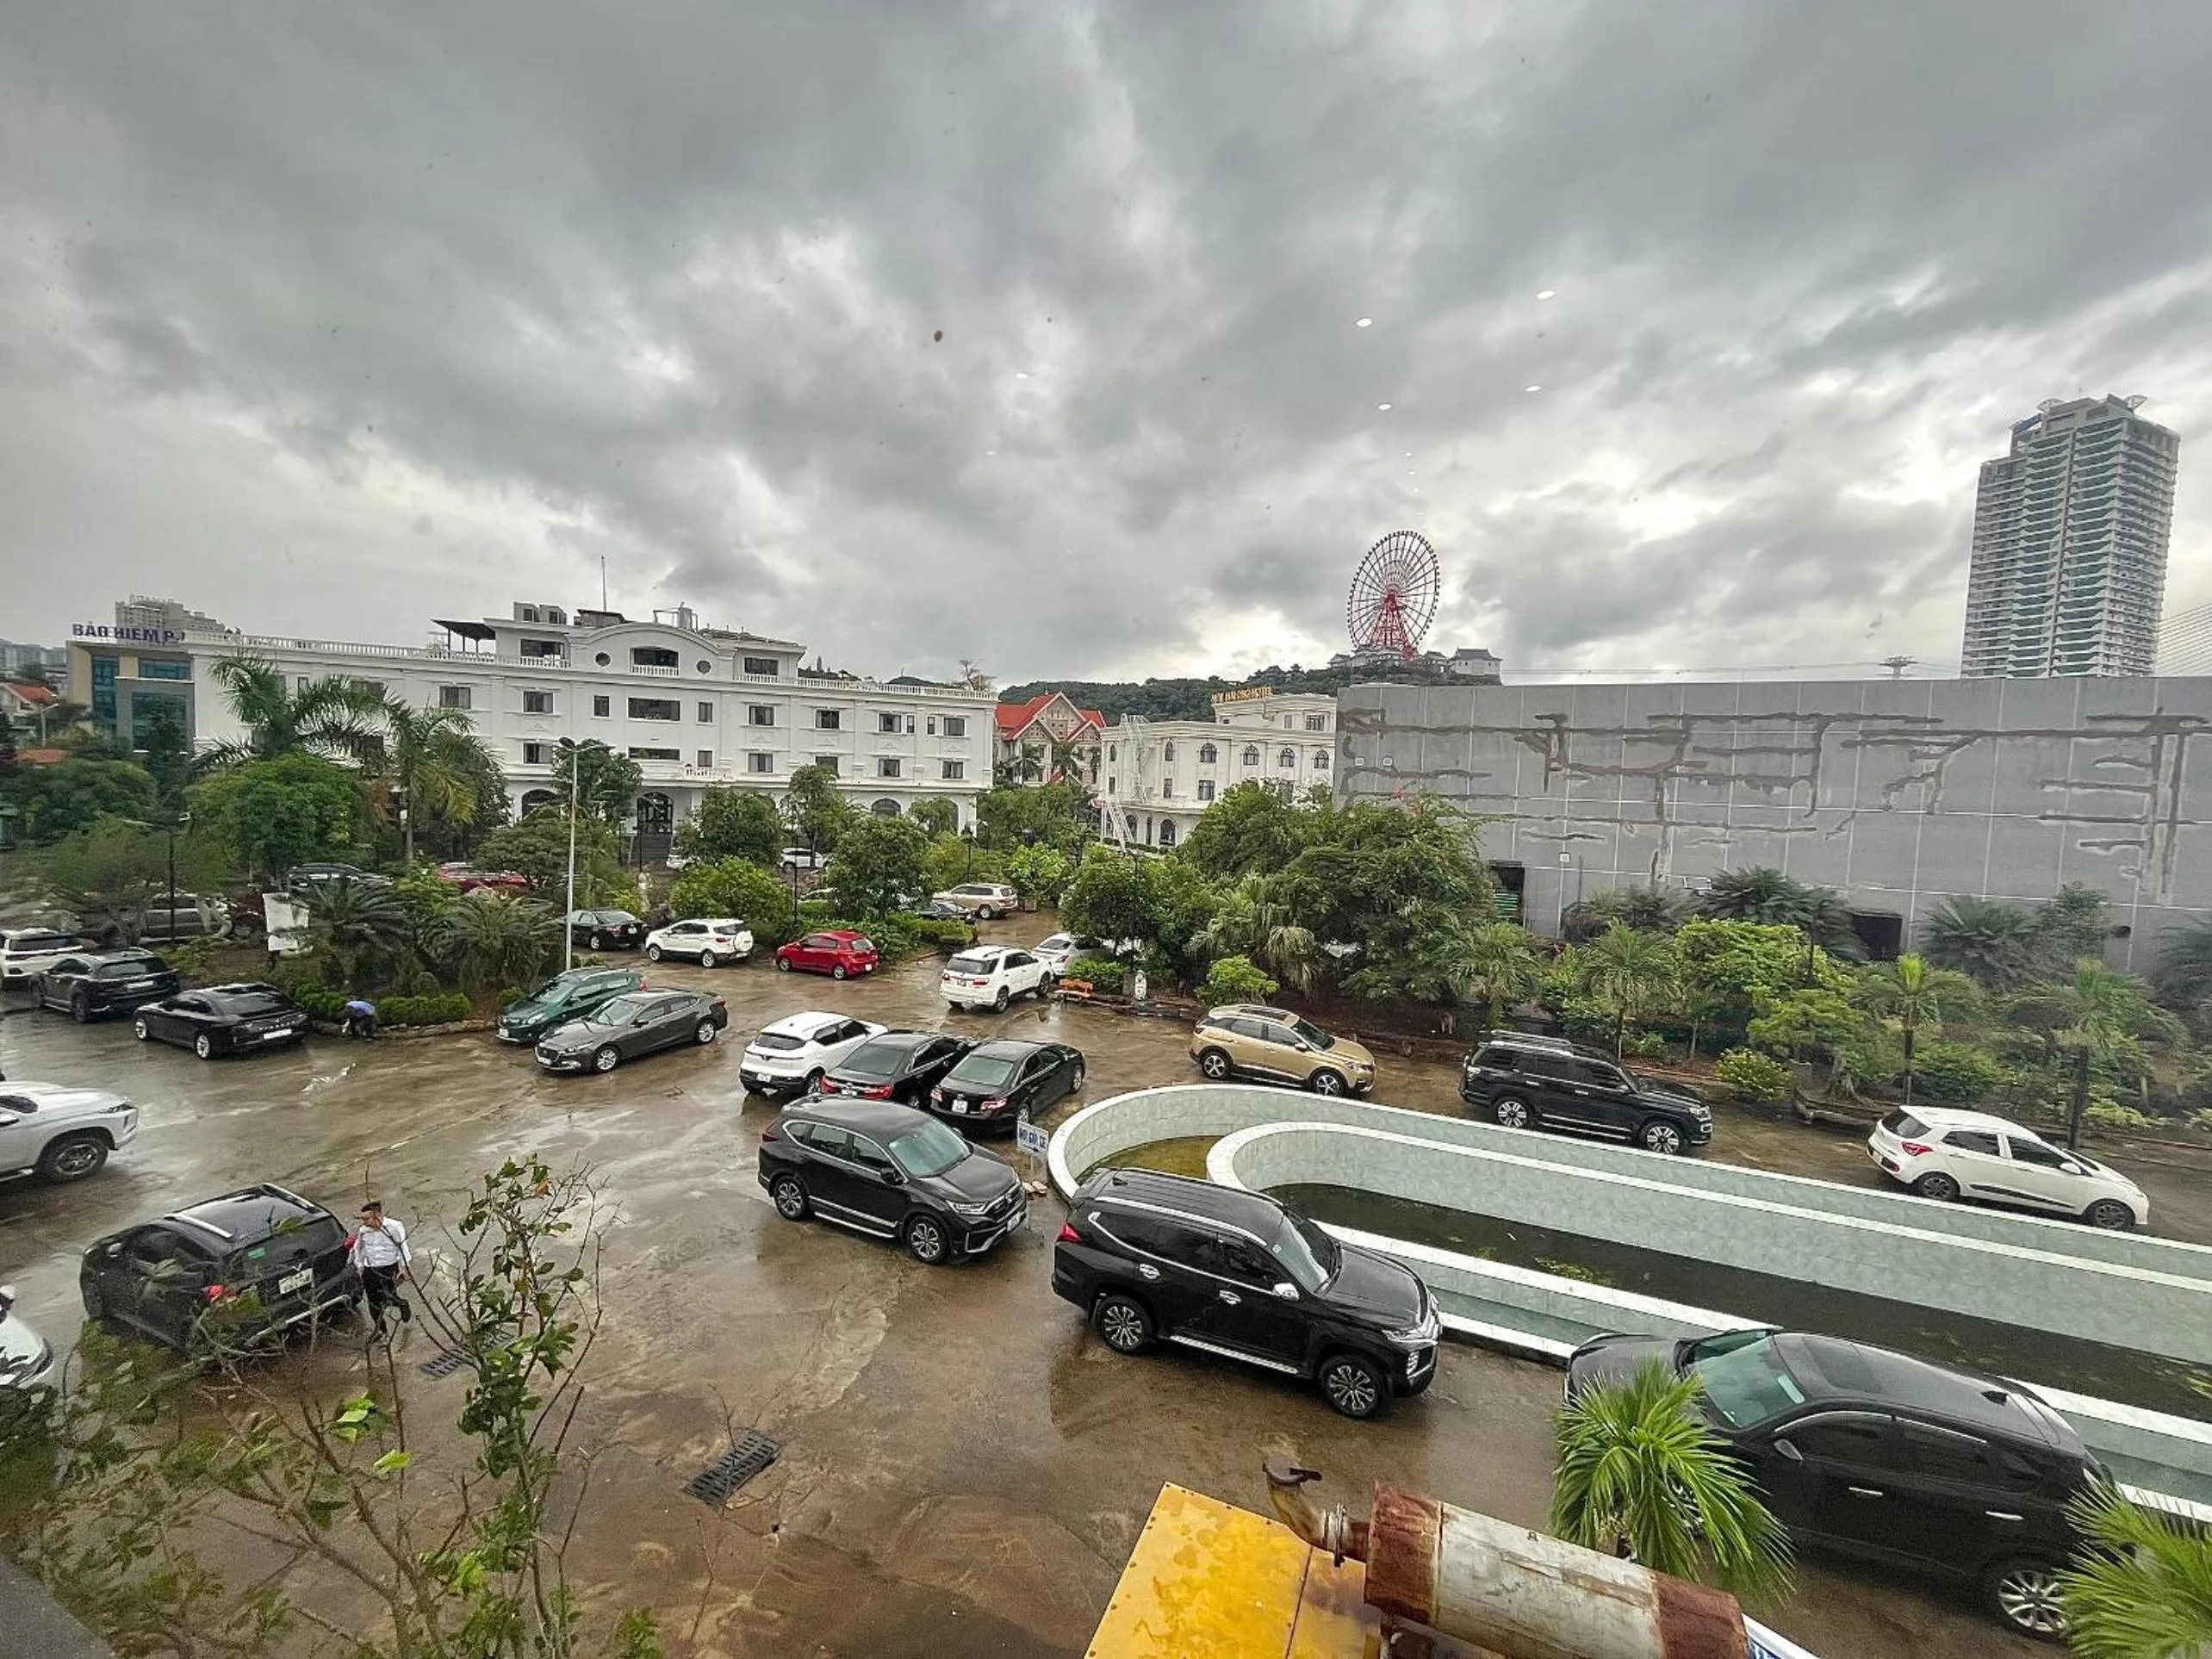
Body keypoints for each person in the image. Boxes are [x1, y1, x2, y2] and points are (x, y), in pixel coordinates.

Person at [349, 1201, 413, 1338]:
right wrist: (359, 1266)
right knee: (373, 1302)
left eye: (367, 1219)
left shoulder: (394, 1227)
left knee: (387, 1296)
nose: (365, 1222)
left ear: (378, 1215)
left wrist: (404, 1267)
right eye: (363, 1219)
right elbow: (359, 1249)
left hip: (388, 1267)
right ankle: (381, 1331)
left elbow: (403, 1247)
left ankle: (402, 1304)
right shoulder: (364, 1231)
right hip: (370, 1268)